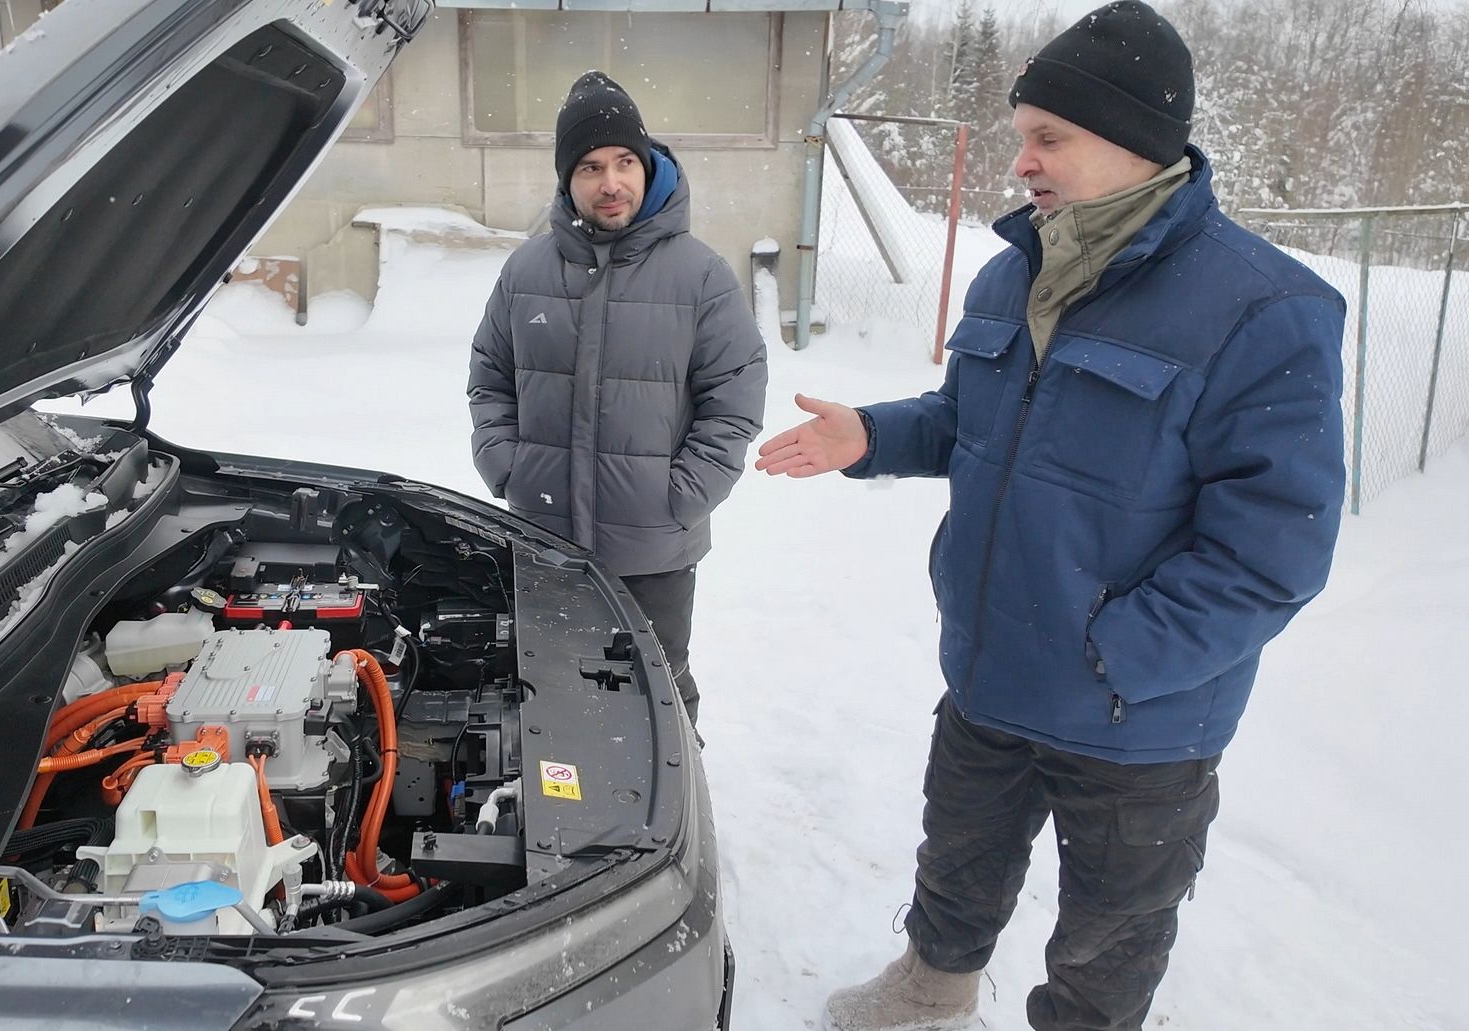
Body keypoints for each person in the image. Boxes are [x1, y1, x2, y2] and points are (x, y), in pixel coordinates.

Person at [755, 4, 1346, 1028]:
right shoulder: (1012, 271)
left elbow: (1273, 548)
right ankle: (931, 987)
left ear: (1134, 141)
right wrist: (874, 436)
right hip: (992, 664)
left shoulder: (1262, 309)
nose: (1021, 161)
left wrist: (1115, 652)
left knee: (1112, 926)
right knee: (958, 853)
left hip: (1137, 712)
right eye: (1021, 134)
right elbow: (968, 422)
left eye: (1047, 137)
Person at [467, 70, 767, 728]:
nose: (611, 182)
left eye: (625, 162)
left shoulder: (700, 276)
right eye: (591, 166)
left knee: (658, 691)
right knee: (550, 687)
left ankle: (679, 794)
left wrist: (681, 494)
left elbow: (734, 397)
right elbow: (490, 374)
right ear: (567, 179)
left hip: (652, 547)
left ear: (647, 164)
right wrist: (505, 462)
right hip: (544, 533)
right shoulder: (526, 271)